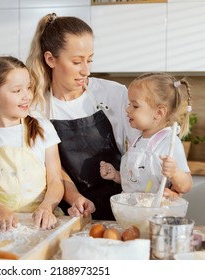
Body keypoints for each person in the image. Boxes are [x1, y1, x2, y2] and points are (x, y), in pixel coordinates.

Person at [26, 13, 139, 220]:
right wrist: (75, 198)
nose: (86, 70)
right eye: (77, 62)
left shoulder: (113, 94)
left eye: (90, 60)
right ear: (50, 59)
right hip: (68, 212)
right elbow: (52, 168)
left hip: (120, 207)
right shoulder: (36, 108)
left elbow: (143, 147)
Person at [0, 56, 64, 231]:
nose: (27, 95)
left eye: (28, 87)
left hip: (42, 222)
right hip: (1, 224)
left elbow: (56, 180)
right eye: (17, 90)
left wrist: (47, 206)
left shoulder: (43, 128)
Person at [100, 72, 193, 196]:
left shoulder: (169, 143)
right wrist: (117, 176)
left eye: (135, 106)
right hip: (132, 212)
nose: (127, 109)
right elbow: (138, 182)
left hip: (155, 213)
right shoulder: (137, 141)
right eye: (129, 104)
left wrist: (175, 172)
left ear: (159, 113)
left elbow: (186, 185)